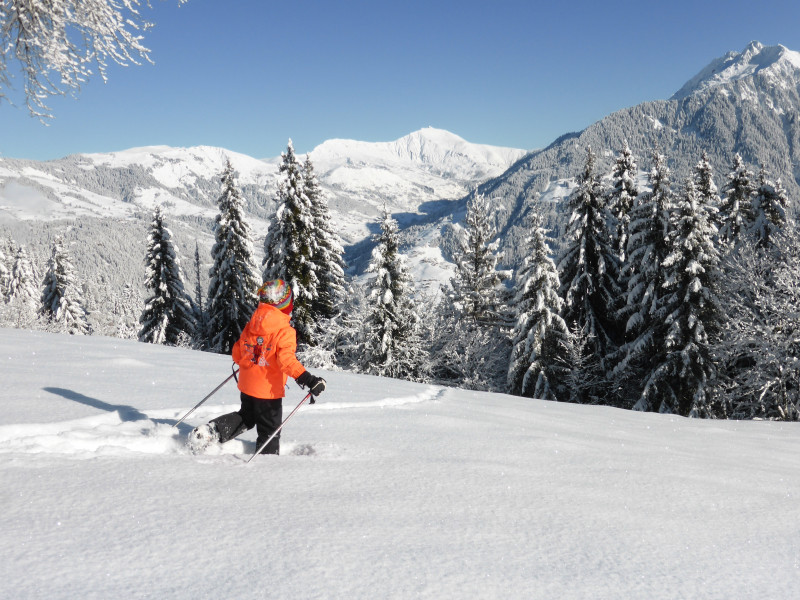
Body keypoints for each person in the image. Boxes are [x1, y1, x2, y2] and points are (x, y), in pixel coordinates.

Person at [188, 279, 326, 455]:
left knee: (246, 417)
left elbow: (237, 353)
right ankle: (266, 465)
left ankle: (211, 432)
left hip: (247, 385)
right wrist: (309, 379)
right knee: (270, 431)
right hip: (268, 393)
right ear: (285, 305)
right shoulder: (285, 331)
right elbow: (286, 361)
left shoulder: (252, 324)